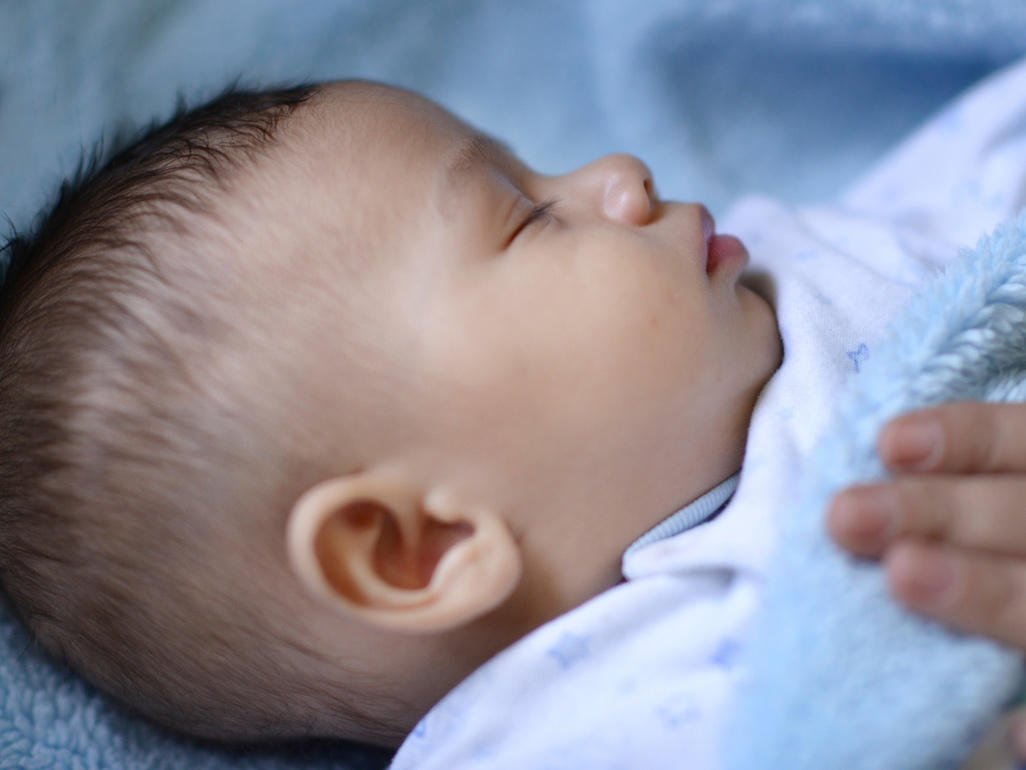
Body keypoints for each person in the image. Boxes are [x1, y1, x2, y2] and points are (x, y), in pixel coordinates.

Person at [0, 71, 1023, 767]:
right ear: (419, 544)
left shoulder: (781, 264)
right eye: (531, 215)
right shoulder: (561, 732)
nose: (620, 176)